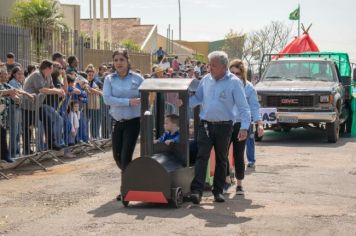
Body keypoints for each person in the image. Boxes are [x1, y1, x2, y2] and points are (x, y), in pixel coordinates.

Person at [185, 51, 251, 204]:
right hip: (206, 125)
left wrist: (244, 127)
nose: (209, 68)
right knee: (202, 156)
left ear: (223, 66)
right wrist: (184, 102)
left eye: (213, 65)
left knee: (222, 159)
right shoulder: (206, 80)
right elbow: (198, 98)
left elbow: (244, 107)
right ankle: (197, 191)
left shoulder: (234, 82)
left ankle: (218, 191)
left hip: (225, 126)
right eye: (209, 65)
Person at [103, 49, 144, 201]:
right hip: (116, 122)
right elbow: (107, 99)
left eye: (121, 60)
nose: (119, 63)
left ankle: (126, 189)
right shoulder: (109, 79)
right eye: (116, 60)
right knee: (117, 156)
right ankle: (134, 177)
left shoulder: (138, 78)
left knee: (126, 156)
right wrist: (128, 102)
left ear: (127, 61)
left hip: (133, 122)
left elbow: (146, 97)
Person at [224, 59, 264, 195]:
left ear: (243, 74)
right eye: (232, 72)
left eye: (238, 73)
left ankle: (239, 185)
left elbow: (254, 106)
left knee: (238, 154)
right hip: (226, 123)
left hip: (242, 124)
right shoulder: (223, 85)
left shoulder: (249, 88)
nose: (235, 75)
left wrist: (259, 123)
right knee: (222, 153)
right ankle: (227, 179)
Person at [22, 59, 66, 154]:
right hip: (26, 105)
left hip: (37, 105)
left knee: (48, 120)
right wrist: (56, 91)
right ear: (47, 68)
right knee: (27, 127)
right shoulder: (36, 75)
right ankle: (26, 149)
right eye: (52, 68)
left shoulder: (48, 76)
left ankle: (51, 143)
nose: (53, 70)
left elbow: (51, 87)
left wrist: (60, 91)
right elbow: (41, 90)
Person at [0, 67, 21, 163]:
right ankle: (5, 155)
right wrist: (10, 92)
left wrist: (16, 97)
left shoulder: (5, 85)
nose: (6, 75)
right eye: (4, 73)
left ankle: (4, 156)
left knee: (3, 134)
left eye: (6, 73)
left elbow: (15, 91)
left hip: (3, 116)